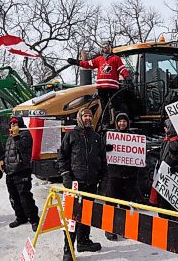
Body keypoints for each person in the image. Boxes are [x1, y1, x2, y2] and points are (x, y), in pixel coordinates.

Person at [58, 107, 108, 261]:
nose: (87, 118)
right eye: (85, 115)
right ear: (79, 118)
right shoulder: (71, 135)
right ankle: (68, 249)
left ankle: (84, 241)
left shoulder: (96, 137)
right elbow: (62, 157)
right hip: (75, 183)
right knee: (72, 217)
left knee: (87, 215)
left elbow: (102, 159)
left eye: (89, 116)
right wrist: (66, 175)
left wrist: (103, 179)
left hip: (91, 183)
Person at [67, 41, 131, 127]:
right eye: (104, 47)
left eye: (107, 46)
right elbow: (87, 64)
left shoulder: (116, 58)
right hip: (102, 87)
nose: (105, 48)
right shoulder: (99, 59)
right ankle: (106, 123)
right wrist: (76, 62)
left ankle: (118, 123)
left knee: (116, 105)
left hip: (113, 87)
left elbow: (122, 69)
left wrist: (127, 77)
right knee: (104, 105)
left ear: (110, 48)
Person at [104, 112, 141, 241]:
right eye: (120, 121)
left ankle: (125, 228)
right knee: (111, 203)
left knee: (126, 205)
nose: (122, 123)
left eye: (124, 121)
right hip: (114, 176)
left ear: (128, 123)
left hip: (129, 177)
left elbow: (139, 155)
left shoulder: (133, 137)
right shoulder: (110, 137)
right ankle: (110, 229)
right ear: (116, 122)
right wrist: (106, 149)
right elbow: (102, 153)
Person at [3, 116, 40, 230]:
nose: (13, 125)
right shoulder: (10, 136)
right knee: (13, 197)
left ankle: (34, 219)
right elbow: (8, 152)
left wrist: (16, 136)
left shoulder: (25, 135)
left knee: (25, 197)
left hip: (21, 170)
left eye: (16, 123)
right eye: (12, 123)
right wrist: (2, 160)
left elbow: (24, 148)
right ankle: (20, 217)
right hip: (10, 171)